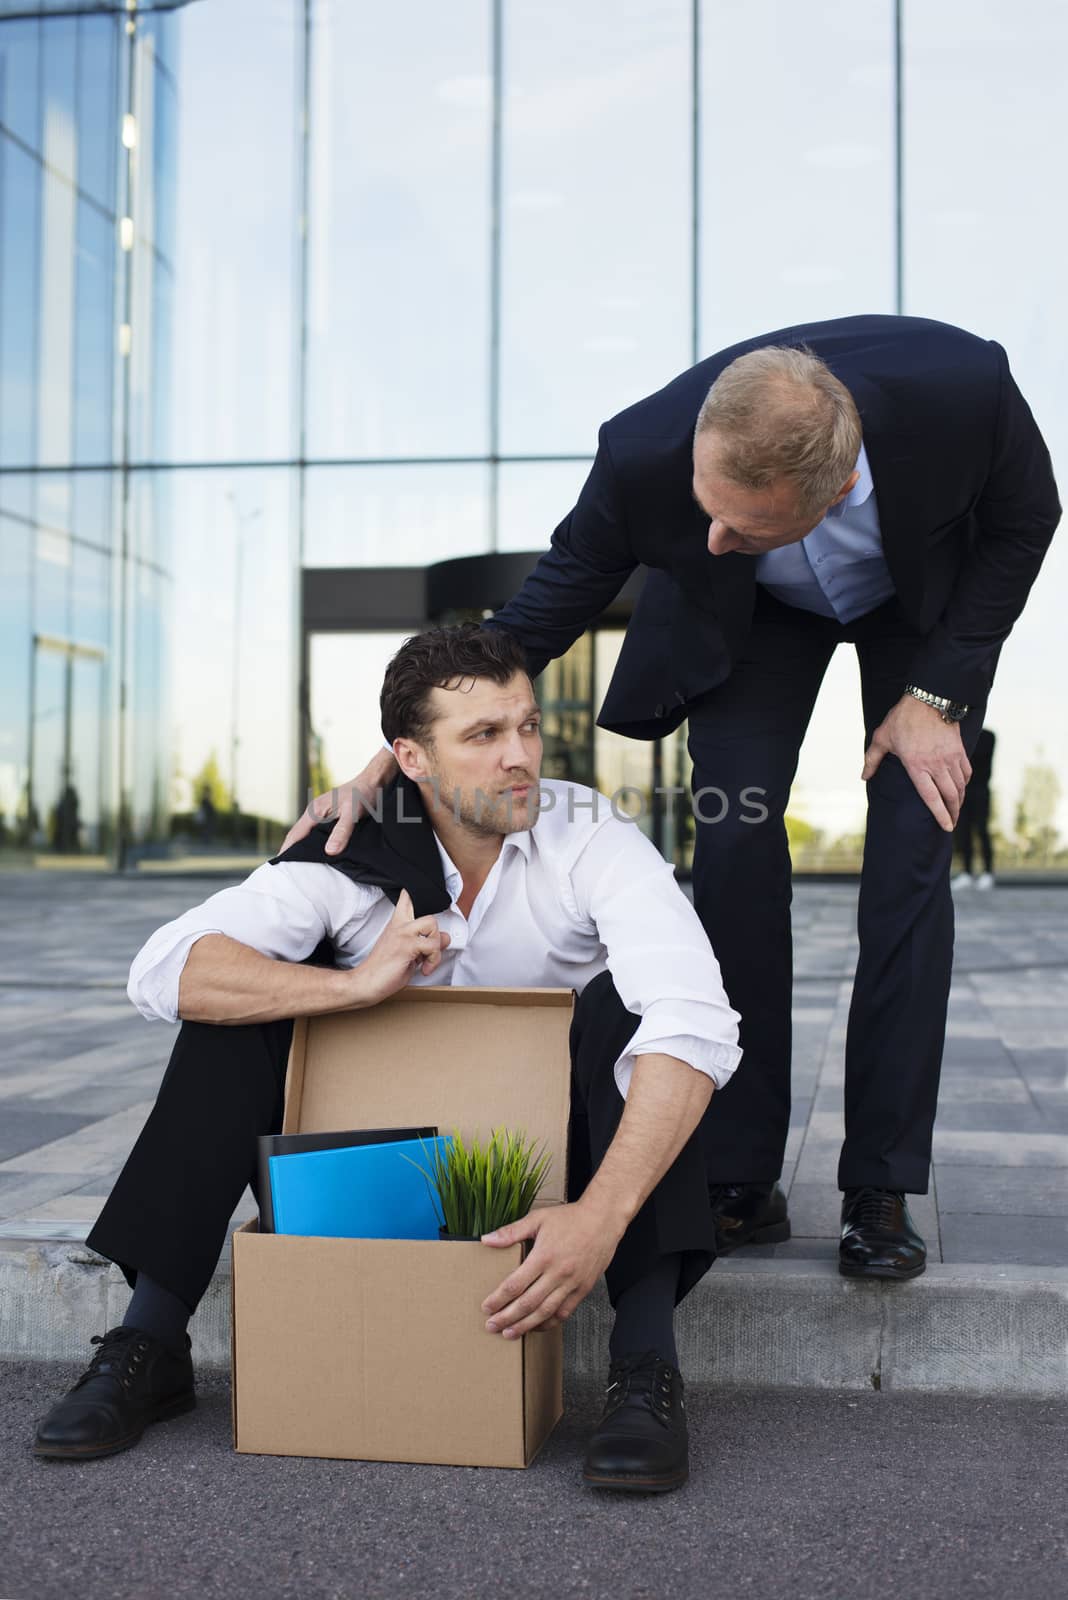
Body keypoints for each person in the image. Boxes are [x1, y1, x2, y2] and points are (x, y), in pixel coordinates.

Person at [290, 316, 1060, 1282]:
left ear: (837, 486)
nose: (710, 534)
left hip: (919, 619)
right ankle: (739, 1172)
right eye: (706, 507)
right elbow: (544, 608)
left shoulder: (967, 392)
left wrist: (935, 695)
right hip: (753, 620)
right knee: (734, 846)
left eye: (745, 521)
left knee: (909, 866)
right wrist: (389, 756)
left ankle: (881, 1183)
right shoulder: (644, 450)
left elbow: (1027, 521)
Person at [34, 625, 741, 1494]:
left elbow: (695, 1017)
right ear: (410, 757)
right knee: (241, 1009)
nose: (519, 756)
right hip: (384, 1150)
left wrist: (599, 1215)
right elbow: (164, 969)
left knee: (637, 1013)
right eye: (482, 736)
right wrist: (352, 987)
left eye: (526, 725)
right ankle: (150, 1339)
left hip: (560, 1146)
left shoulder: (589, 833)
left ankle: (644, 1362)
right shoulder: (347, 852)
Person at [952, 727, 997, 890]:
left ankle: (988, 872)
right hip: (962, 789)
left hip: (980, 791)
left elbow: (973, 758)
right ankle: (967, 872)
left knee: (981, 830)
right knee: (962, 831)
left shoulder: (987, 736)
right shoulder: (959, 734)